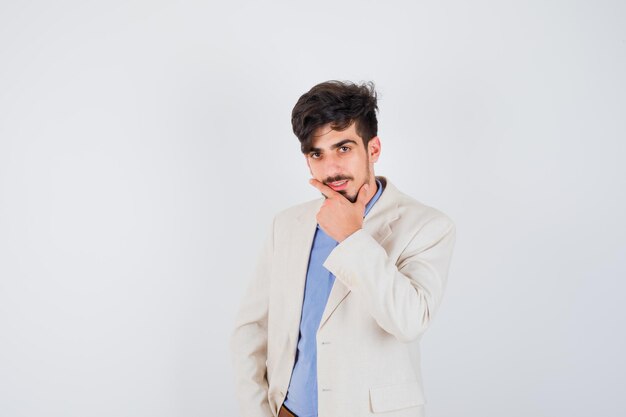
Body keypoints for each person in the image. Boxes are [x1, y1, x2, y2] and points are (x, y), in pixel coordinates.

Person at [230, 81, 456, 417]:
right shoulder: (287, 225)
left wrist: (353, 238)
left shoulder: (427, 226)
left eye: (344, 148)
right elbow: (252, 328)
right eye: (316, 154)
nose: (331, 168)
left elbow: (409, 321)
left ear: (373, 149)